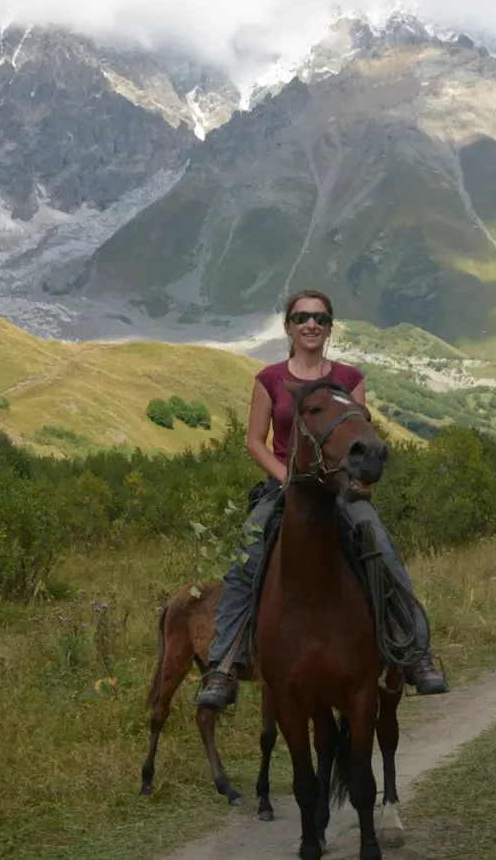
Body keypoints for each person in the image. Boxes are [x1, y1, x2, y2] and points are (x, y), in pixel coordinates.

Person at [194, 289, 448, 710]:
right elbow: (255, 442)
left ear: (330, 327)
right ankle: (224, 664)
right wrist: (290, 480)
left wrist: (355, 482)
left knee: (384, 552)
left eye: (320, 318)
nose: (311, 324)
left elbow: (360, 442)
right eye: (302, 317)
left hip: (343, 490)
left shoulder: (350, 379)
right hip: (284, 487)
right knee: (247, 556)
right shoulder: (270, 379)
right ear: (288, 326)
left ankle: (417, 655)